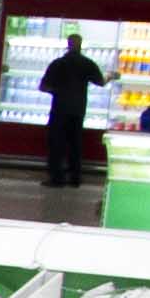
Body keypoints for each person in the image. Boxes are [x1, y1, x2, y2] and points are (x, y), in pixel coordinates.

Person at [40, 30, 108, 194]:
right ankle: (75, 178)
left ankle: (57, 178)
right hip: (78, 111)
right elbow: (101, 82)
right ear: (81, 45)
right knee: (75, 144)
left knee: (57, 144)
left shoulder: (58, 64)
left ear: (68, 45)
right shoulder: (87, 63)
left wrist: (57, 92)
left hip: (59, 109)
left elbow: (43, 86)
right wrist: (111, 76)